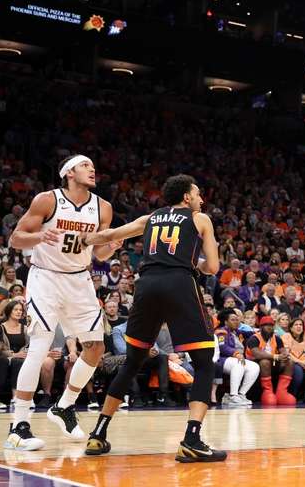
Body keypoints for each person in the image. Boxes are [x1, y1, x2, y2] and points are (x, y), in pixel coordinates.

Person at [81, 174, 226, 463]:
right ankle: (192, 439)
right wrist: (192, 260)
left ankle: (98, 434)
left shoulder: (151, 218)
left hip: (146, 285)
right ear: (186, 197)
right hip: (179, 284)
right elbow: (212, 266)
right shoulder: (200, 219)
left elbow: (110, 236)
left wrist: (84, 239)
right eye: (197, 194)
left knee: (133, 361)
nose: (201, 199)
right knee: (204, 360)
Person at [5, 155, 122, 451]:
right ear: (69, 172)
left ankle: (64, 404)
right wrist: (41, 235)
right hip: (45, 278)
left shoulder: (103, 207)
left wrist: (111, 246)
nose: (93, 169)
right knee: (40, 347)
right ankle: (19, 426)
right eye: (86, 166)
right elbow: (16, 239)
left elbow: (101, 256)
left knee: (96, 347)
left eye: (94, 166)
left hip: (79, 279)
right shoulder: (47, 200)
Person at [246, 315, 295, 406]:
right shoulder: (254, 338)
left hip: (272, 363)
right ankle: (267, 392)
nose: (269, 327)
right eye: (266, 325)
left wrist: (285, 355)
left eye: (271, 325)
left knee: (290, 362)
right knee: (265, 361)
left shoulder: (276, 338)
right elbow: (257, 354)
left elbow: (283, 351)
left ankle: (282, 393)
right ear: (261, 327)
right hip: (254, 364)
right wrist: (276, 356)